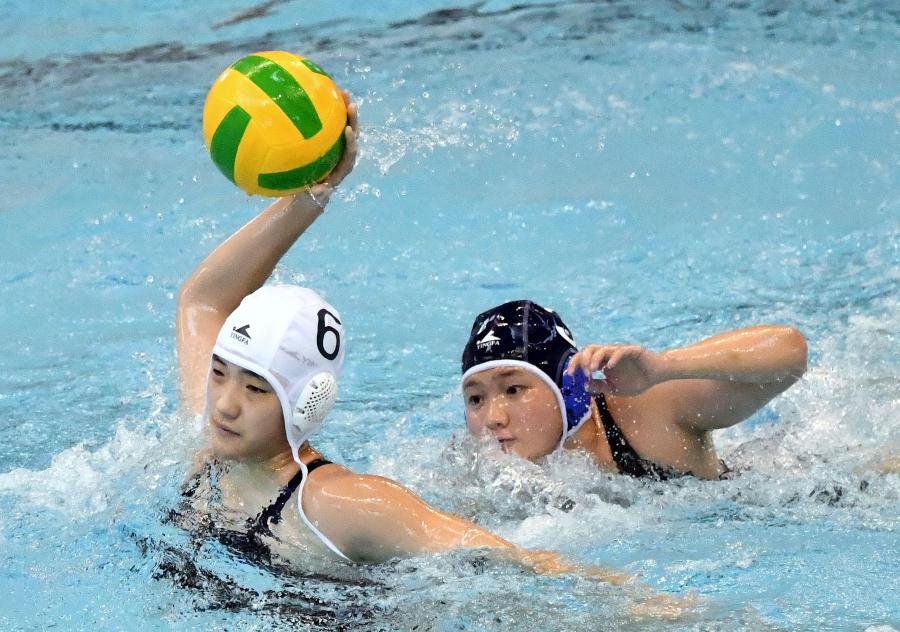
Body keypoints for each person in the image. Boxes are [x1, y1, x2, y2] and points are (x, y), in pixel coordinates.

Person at [174, 93, 626, 580]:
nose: (225, 404)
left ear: (307, 402)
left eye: (256, 388)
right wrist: (309, 198)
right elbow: (203, 300)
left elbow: (517, 560)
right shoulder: (214, 442)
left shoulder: (338, 504)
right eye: (218, 373)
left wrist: (650, 608)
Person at [460, 300, 808, 480]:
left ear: (568, 387)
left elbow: (789, 351)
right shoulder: (478, 471)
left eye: (513, 389)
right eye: (476, 398)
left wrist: (664, 367)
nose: (493, 418)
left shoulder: (643, 411)